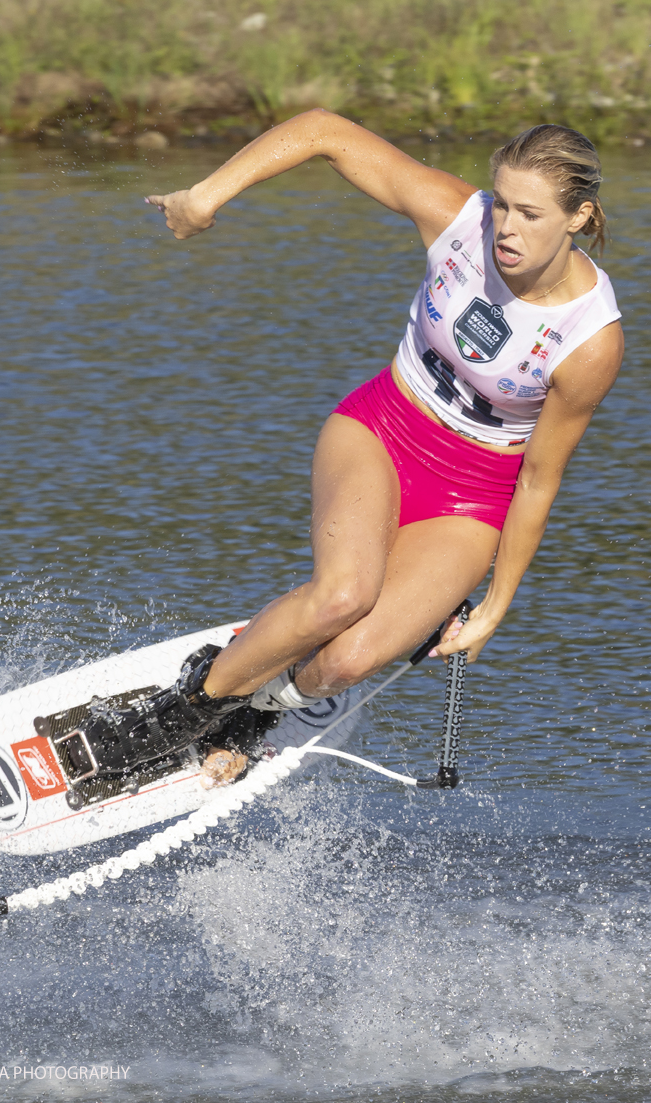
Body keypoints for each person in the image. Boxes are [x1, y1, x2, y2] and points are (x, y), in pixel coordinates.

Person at [74, 114, 623, 785]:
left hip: (474, 494)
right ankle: (184, 709)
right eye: (502, 202)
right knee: (342, 598)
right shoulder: (459, 220)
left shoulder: (590, 340)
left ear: (578, 216)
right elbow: (326, 132)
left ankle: (260, 714)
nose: (505, 226)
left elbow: (538, 481)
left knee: (346, 661)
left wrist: (496, 607)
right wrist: (207, 195)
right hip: (383, 430)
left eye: (529, 213)